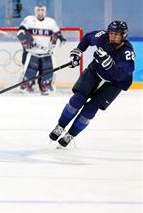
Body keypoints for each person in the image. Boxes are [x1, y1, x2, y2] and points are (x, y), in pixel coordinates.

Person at [49, 20, 134, 148]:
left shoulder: (127, 52)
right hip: (95, 72)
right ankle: (60, 126)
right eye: (111, 33)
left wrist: (107, 62)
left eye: (117, 34)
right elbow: (88, 38)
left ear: (124, 36)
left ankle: (70, 135)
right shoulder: (102, 37)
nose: (113, 36)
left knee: (90, 109)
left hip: (114, 83)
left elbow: (120, 75)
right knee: (77, 100)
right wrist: (78, 52)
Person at [17, 4, 66, 95]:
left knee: (47, 71)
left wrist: (58, 41)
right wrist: (27, 41)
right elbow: (20, 32)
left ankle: (45, 86)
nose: (40, 11)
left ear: (45, 11)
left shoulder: (51, 22)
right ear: (35, 11)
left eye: (42, 9)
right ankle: (27, 85)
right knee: (30, 70)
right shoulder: (29, 20)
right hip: (33, 53)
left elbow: (57, 35)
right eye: (38, 9)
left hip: (47, 53)